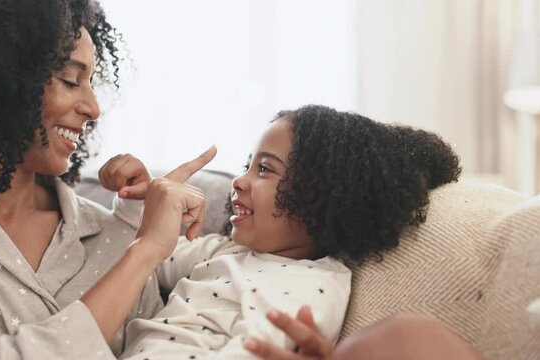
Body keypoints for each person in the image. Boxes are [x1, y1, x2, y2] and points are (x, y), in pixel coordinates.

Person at [0, 0, 216, 358]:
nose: (93, 108)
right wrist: (143, 253)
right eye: (70, 80)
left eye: (91, 81)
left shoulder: (117, 234)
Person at [97, 104, 463, 359]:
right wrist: (137, 199)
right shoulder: (225, 251)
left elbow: (253, 351)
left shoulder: (312, 284)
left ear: (319, 197)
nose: (239, 180)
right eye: (247, 166)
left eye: (265, 170)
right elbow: (149, 256)